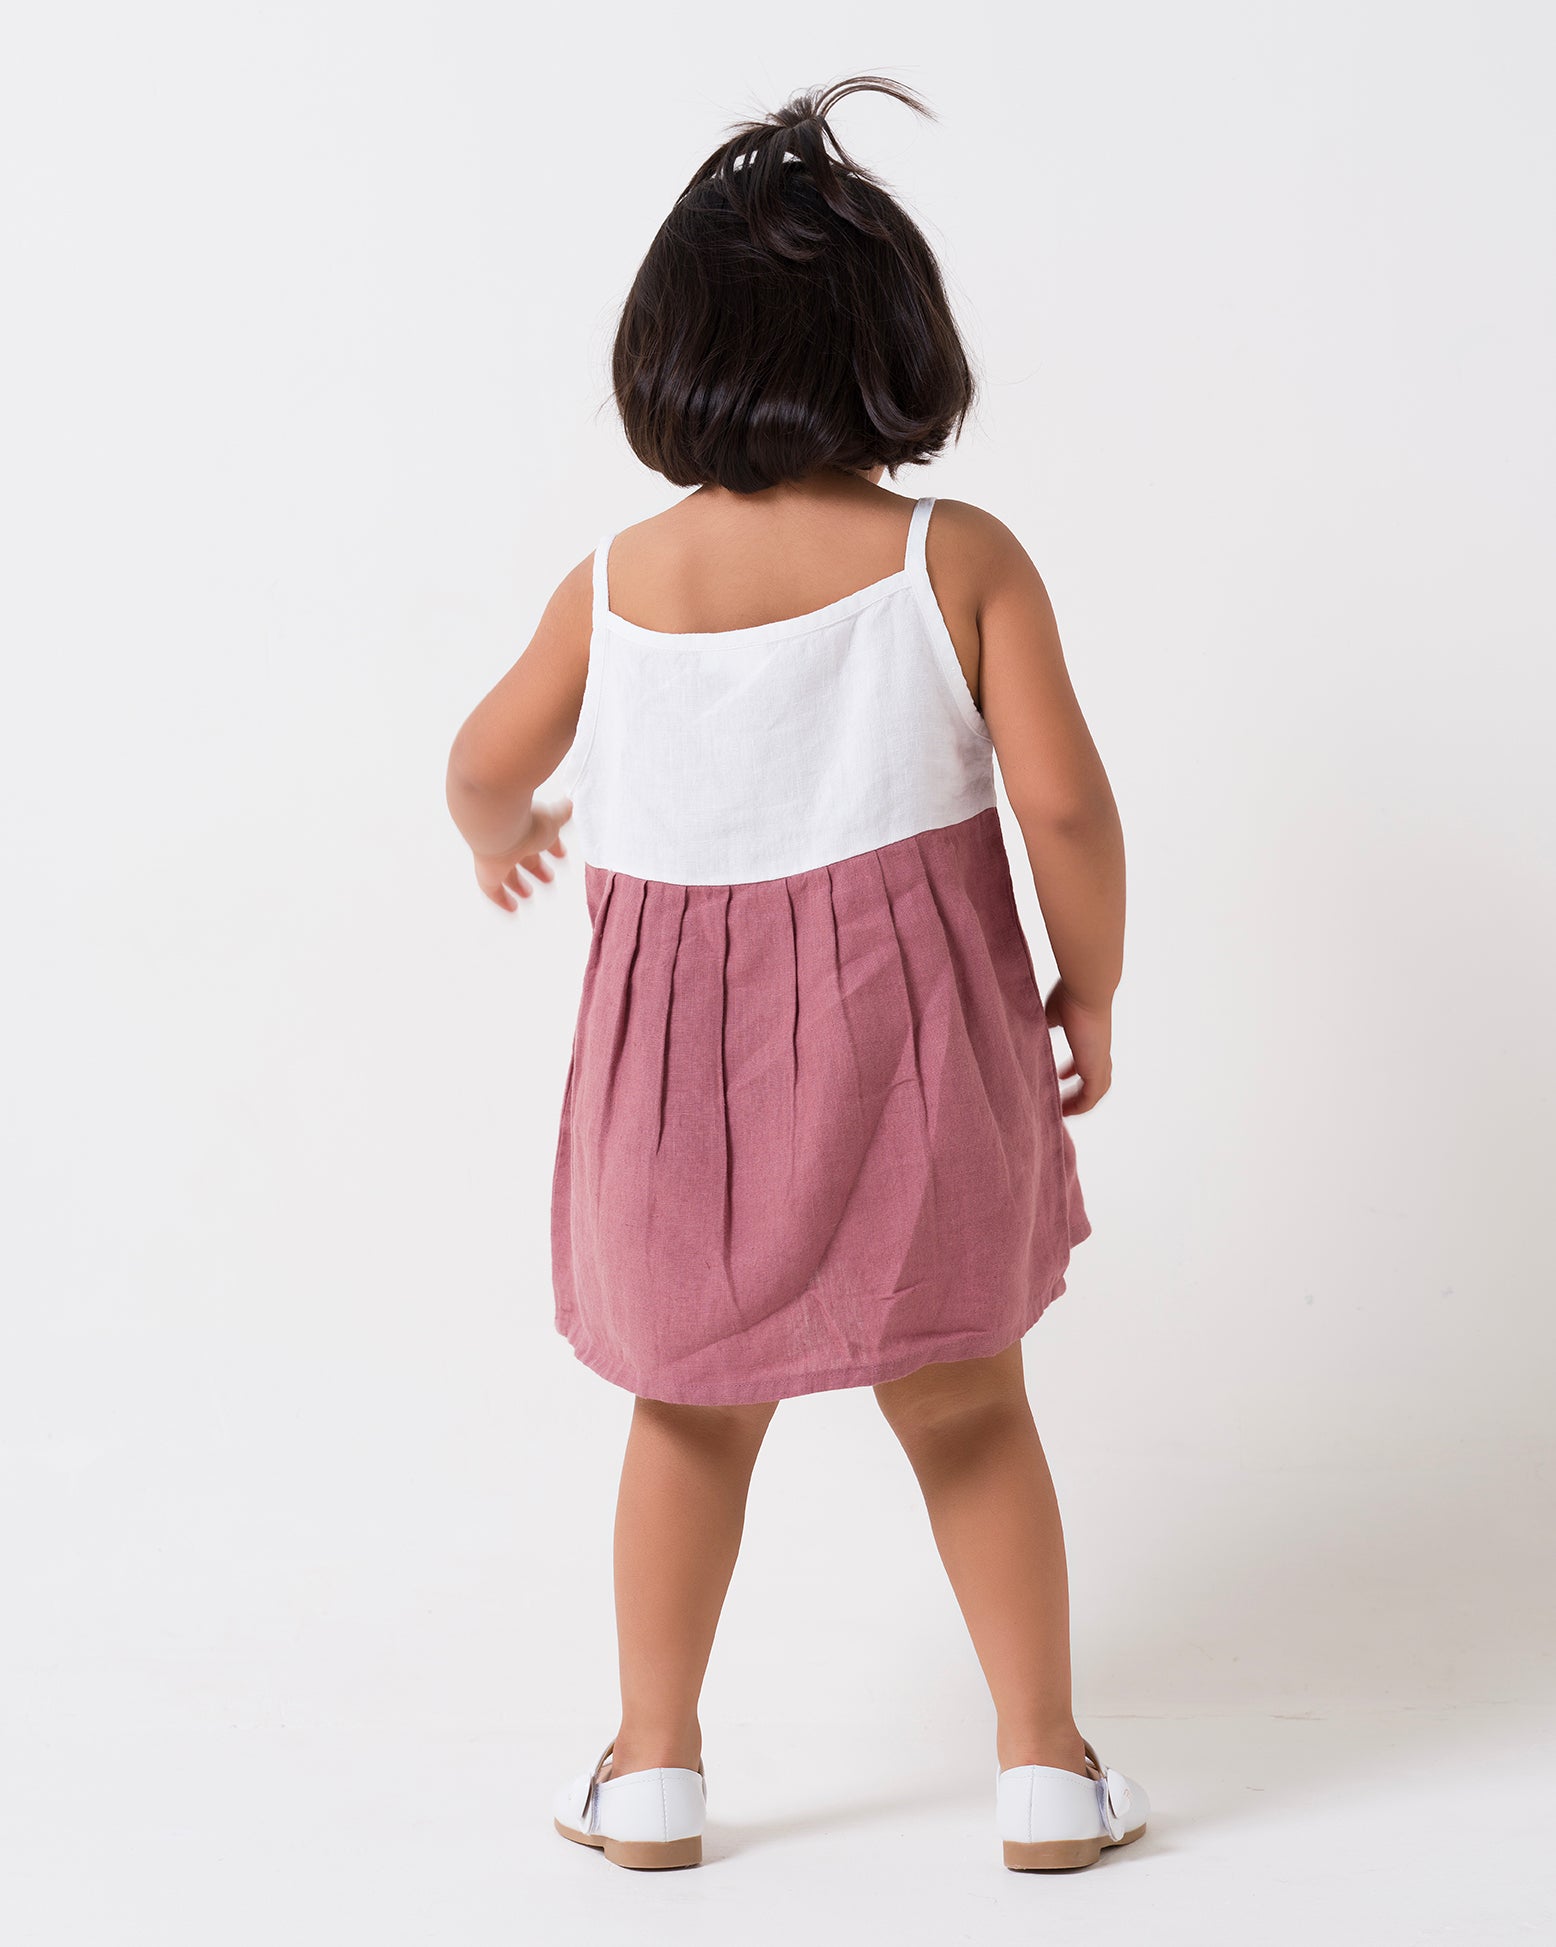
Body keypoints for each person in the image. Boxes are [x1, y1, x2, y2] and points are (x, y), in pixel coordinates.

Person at [445, 74, 1146, 1875]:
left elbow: (481, 759)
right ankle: (1044, 1771)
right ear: (897, 346)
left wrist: (501, 834)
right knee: (969, 1404)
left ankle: (653, 1773)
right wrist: (1090, 985)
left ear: (668, 358)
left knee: (688, 1420)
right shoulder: (953, 560)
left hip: (682, 1096)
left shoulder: (620, 584)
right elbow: (1066, 806)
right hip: (921, 1064)